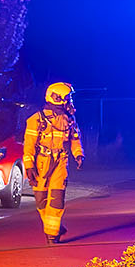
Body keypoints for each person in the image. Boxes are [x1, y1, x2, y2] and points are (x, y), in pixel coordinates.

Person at [23, 82, 85, 244]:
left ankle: (52, 235)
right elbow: (28, 145)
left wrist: (78, 155)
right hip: (41, 163)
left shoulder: (69, 120)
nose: (70, 101)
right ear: (57, 98)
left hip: (60, 162)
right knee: (41, 200)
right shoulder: (36, 120)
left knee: (57, 198)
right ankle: (55, 227)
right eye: (67, 98)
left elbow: (75, 140)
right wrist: (29, 166)